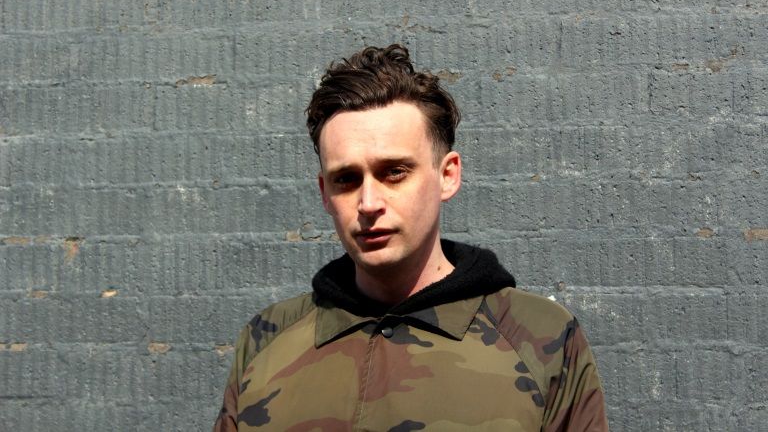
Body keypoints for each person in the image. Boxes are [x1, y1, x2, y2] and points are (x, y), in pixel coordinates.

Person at [214, 44, 608, 431]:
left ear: (447, 175)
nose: (369, 203)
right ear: (324, 193)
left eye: (394, 172)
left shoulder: (540, 338)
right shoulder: (266, 340)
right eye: (346, 179)